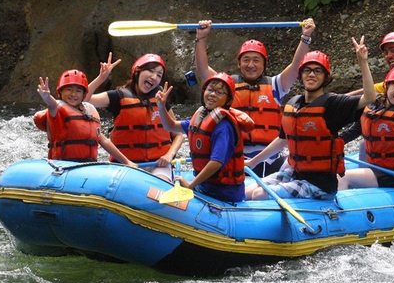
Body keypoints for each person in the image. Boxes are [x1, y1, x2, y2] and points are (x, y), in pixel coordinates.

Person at [245, 38, 375, 200]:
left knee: (259, 195)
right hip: (294, 173)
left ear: (326, 77)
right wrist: (253, 162)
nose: (311, 74)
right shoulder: (294, 103)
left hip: (319, 184)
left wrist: (362, 62)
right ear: (301, 75)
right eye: (307, 70)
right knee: (248, 192)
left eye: (317, 71)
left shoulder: (333, 104)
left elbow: (369, 97)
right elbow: (281, 140)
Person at [194, 18, 316, 177]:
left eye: (256, 60)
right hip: (236, 157)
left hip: (270, 161)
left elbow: (296, 65)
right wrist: (201, 38)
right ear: (239, 63)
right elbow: (203, 69)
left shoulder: (276, 85)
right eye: (246, 60)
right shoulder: (227, 86)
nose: (251, 64)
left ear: (264, 64)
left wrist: (305, 37)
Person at [154, 72, 255, 203]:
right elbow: (171, 126)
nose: (213, 94)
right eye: (210, 89)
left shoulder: (224, 127)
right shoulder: (201, 117)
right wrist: (161, 107)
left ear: (228, 100)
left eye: (219, 92)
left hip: (224, 193)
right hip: (207, 187)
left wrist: (191, 185)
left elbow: (216, 162)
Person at [85, 53, 185, 179]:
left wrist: (169, 155)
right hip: (125, 164)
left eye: (159, 75)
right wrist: (101, 78)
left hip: (157, 164)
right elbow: (83, 99)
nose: (154, 77)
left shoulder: (161, 100)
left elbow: (178, 135)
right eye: (150, 71)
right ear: (137, 71)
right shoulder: (117, 97)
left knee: (159, 192)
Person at [34, 69, 137, 168]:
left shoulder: (89, 111)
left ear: (84, 95)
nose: (73, 94)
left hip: (87, 167)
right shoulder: (57, 112)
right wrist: (46, 96)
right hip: (63, 167)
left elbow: (104, 141)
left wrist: (127, 161)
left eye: (78, 91)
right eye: (69, 89)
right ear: (59, 92)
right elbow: (52, 105)